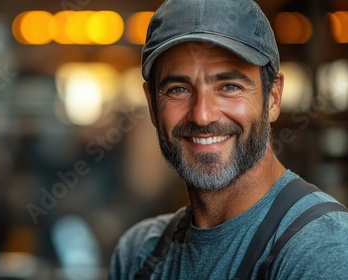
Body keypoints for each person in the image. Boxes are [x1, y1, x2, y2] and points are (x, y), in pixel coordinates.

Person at [109, 0, 348, 279]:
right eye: (178, 89)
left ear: (273, 97)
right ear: (152, 105)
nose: (202, 115)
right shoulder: (139, 254)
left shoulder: (319, 248)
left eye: (229, 86)